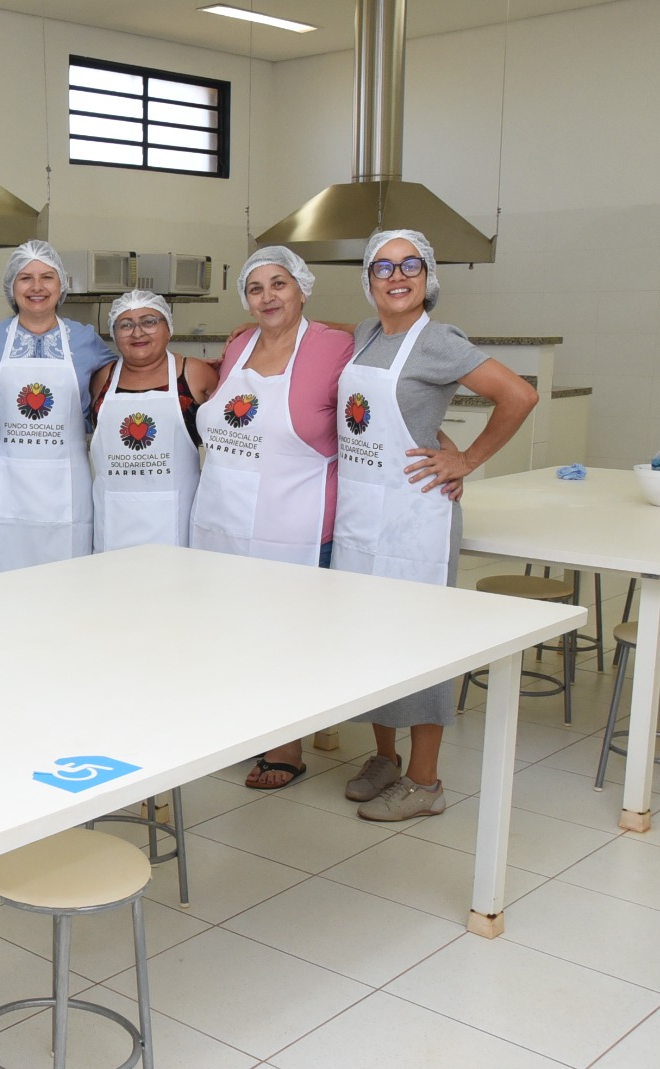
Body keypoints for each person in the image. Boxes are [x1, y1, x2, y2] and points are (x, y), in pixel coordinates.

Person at [334, 229, 538, 821]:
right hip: (361, 514)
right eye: (382, 267)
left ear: (428, 277)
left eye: (410, 266)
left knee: (418, 643)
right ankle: (384, 758)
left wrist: (465, 458)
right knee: (369, 638)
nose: (397, 277)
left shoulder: (439, 340)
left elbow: (519, 396)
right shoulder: (366, 333)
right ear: (368, 279)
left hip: (413, 519)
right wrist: (437, 436)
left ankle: (426, 783)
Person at [190, 246, 354, 789]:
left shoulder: (336, 344)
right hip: (222, 512)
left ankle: (287, 744)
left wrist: (447, 447)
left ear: (302, 288)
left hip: (294, 517)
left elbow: (381, 399)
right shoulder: (238, 344)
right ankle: (242, 727)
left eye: (279, 284)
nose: (268, 296)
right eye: (256, 288)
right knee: (229, 627)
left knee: (286, 632)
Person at [0, 240, 114, 571]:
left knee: (67, 582)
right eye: (25, 278)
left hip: (67, 489)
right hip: (6, 486)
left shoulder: (85, 339)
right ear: (11, 287)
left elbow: (124, 381)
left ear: (61, 285)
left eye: (47, 277)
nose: (36, 287)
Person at [88, 290, 215, 551]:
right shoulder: (103, 378)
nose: (137, 333)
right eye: (126, 325)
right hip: (114, 522)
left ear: (168, 329)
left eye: (149, 321)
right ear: (114, 333)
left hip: (176, 523)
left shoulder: (194, 373)